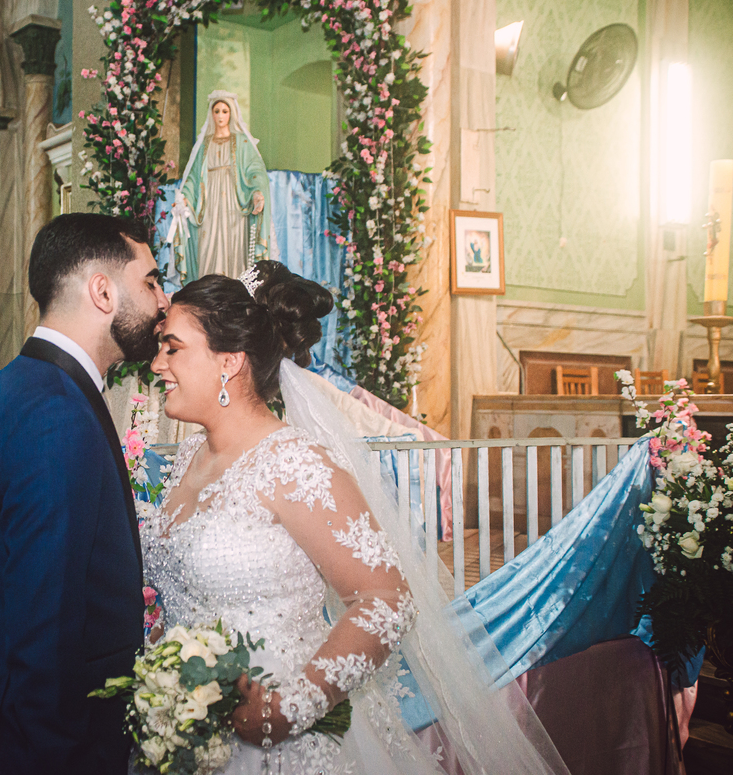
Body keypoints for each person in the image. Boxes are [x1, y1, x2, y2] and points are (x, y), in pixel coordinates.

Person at [140, 261, 571, 774]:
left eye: (172, 348)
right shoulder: (188, 458)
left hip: (277, 738)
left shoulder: (294, 465)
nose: (157, 364)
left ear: (229, 362)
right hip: (184, 729)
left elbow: (387, 600)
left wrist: (289, 709)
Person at [0, 213, 170, 775]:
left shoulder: (25, 384)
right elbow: (45, 627)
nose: (163, 302)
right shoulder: (55, 411)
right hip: (33, 749)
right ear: (102, 292)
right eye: (151, 282)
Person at [166, 90, 270, 284]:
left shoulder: (242, 142)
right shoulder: (204, 145)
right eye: (217, 111)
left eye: (225, 111)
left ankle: (235, 290)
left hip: (234, 204)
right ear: (211, 114)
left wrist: (257, 192)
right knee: (207, 245)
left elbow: (255, 170)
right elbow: (193, 177)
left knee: (234, 245)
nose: (221, 116)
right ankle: (209, 289)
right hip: (209, 204)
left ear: (231, 113)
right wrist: (185, 198)